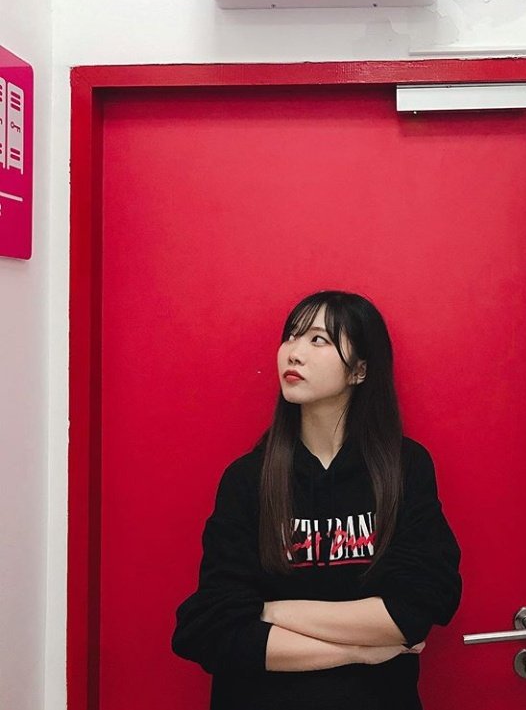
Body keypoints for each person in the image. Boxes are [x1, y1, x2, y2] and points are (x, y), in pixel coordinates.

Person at [171, 290, 462, 710]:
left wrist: (268, 611)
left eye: (318, 339)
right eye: (291, 336)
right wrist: (360, 651)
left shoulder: (404, 467)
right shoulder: (247, 479)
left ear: (359, 371)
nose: (293, 352)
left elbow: (412, 611)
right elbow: (211, 629)